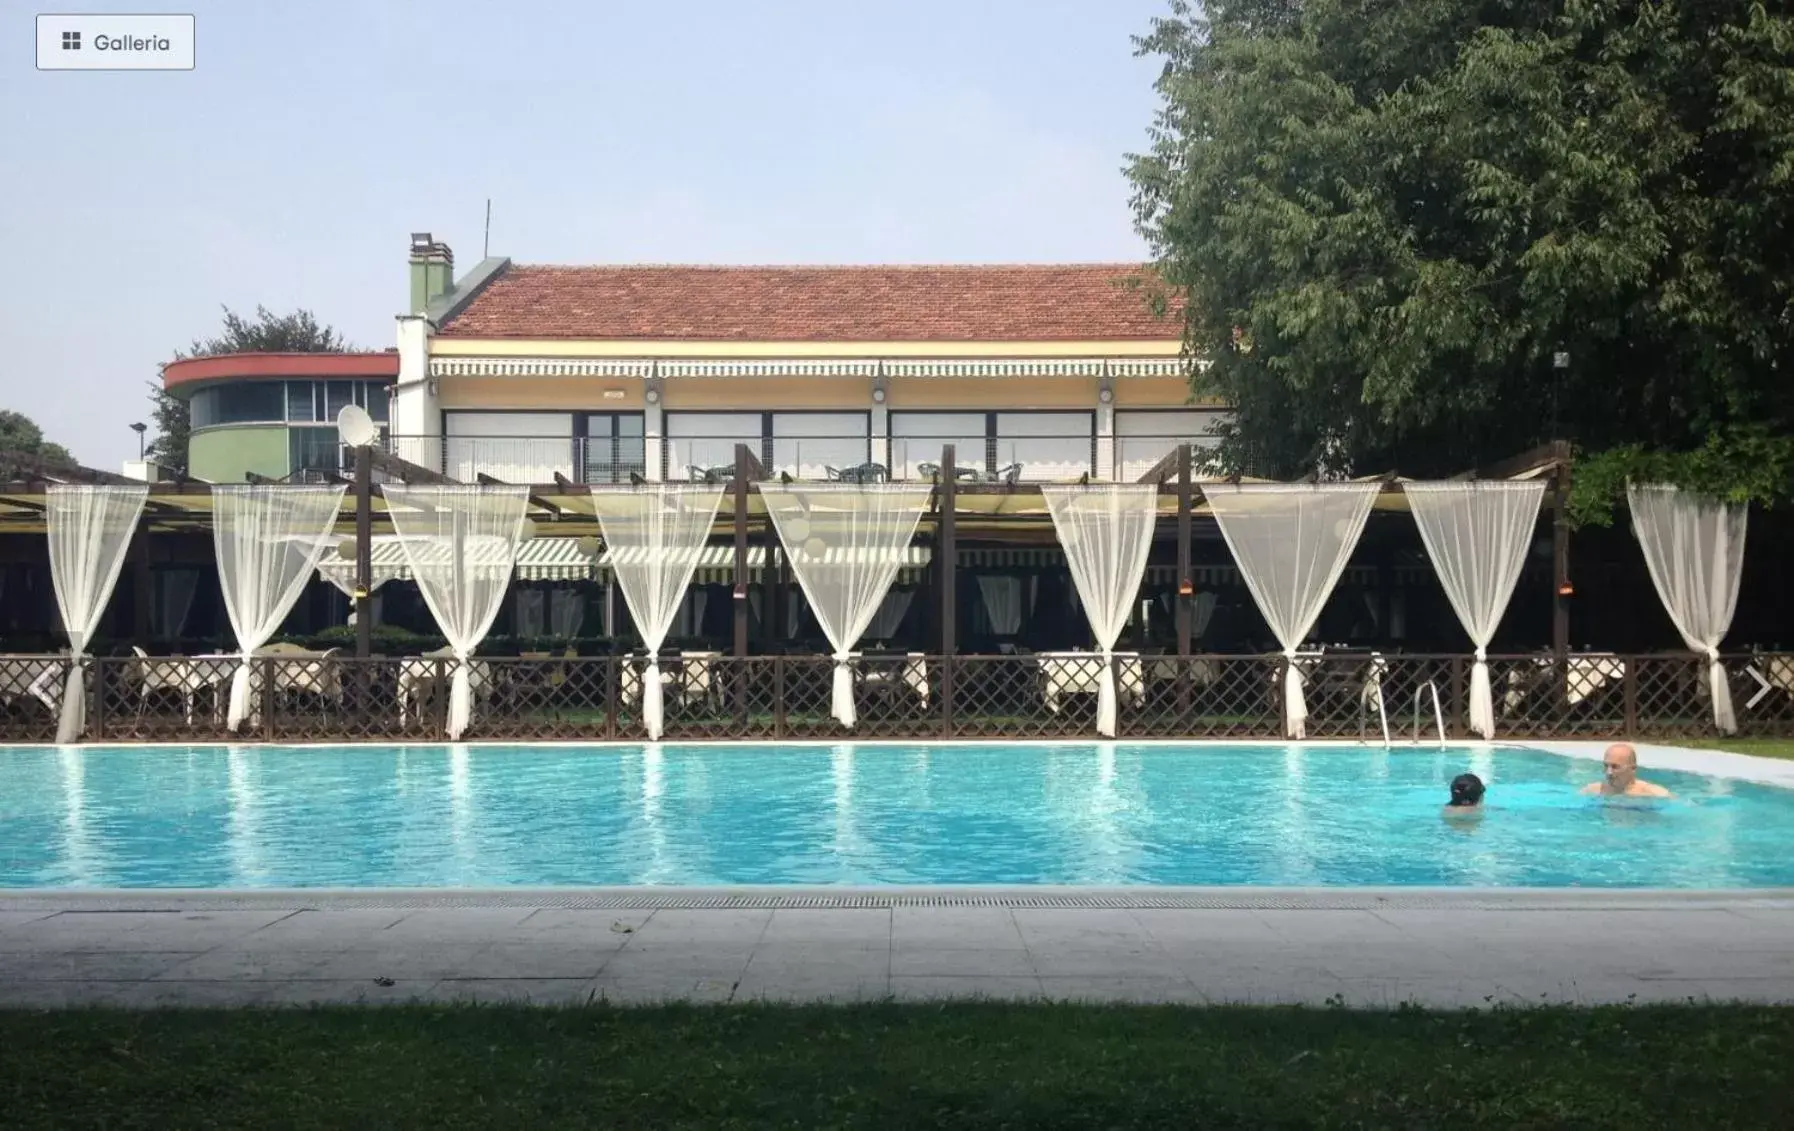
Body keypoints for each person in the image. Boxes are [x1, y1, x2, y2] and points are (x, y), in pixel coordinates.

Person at [1581, 743, 1672, 798]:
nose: (1609, 772)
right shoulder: (1593, 790)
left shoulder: (1655, 793)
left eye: (1615, 767)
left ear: (1633, 769)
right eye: (1606, 765)